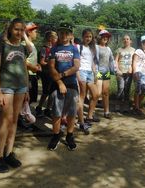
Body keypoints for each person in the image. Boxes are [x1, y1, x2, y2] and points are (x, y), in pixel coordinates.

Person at [0, 18, 29, 172]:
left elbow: (24, 68)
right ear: (11, 29)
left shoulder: (22, 47)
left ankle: (9, 153)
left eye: (22, 30)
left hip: (21, 87)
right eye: (17, 29)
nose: (19, 33)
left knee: (14, 120)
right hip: (6, 87)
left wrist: (27, 88)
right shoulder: (1, 44)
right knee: (6, 121)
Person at [47, 22, 80, 151]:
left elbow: (76, 66)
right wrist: (60, 82)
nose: (64, 35)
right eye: (61, 32)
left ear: (70, 35)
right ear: (58, 34)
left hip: (71, 83)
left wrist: (63, 74)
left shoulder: (74, 49)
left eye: (66, 32)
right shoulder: (54, 49)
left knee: (72, 112)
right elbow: (51, 67)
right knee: (56, 112)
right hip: (57, 84)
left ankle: (69, 136)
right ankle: (56, 135)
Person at [76, 29, 99, 132]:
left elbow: (93, 63)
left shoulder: (92, 48)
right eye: (86, 36)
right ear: (83, 37)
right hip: (82, 72)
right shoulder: (78, 47)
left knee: (96, 94)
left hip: (90, 73)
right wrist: (77, 75)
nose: (88, 38)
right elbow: (76, 61)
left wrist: (96, 74)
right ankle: (81, 121)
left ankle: (89, 116)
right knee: (82, 95)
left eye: (90, 37)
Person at [35, 31, 58, 118]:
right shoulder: (44, 49)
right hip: (46, 73)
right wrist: (50, 63)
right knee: (46, 92)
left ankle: (48, 109)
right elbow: (42, 62)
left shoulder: (55, 48)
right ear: (50, 38)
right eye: (55, 38)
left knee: (52, 92)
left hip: (53, 73)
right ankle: (39, 108)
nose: (56, 39)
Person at [95, 29, 115, 119]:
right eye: (103, 36)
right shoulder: (96, 47)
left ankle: (106, 112)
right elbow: (94, 60)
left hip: (106, 72)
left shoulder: (108, 49)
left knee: (106, 93)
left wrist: (112, 70)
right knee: (98, 93)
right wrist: (95, 72)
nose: (105, 38)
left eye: (107, 37)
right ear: (100, 37)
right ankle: (92, 112)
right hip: (98, 72)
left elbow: (111, 60)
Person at [115, 34, 135, 113]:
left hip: (129, 73)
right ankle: (117, 105)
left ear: (130, 41)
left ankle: (126, 106)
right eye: (124, 39)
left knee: (127, 89)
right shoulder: (119, 50)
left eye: (127, 39)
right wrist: (117, 70)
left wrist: (132, 69)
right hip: (120, 72)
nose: (126, 40)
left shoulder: (134, 50)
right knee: (121, 88)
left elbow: (135, 61)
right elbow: (116, 60)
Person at [131, 35, 145, 114]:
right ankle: (136, 107)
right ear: (141, 43)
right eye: (143, 42)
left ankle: (137, 104)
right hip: (138, 72)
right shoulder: (138, 51)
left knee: (143, 91)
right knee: (138, 90)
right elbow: (134, 61)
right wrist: (134, 72)